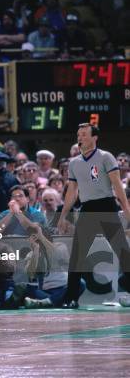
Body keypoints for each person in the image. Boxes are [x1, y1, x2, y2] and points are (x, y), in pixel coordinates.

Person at [57, 123, 130, 308]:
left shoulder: (106, 157)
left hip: (106, 205)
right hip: (87, 208)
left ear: (94, 137)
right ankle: (70, 298)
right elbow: (72, 192)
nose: (80, 137)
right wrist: (63, 215)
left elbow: (117, 186)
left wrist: (127, 210)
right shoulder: (74, 163)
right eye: (78, 134)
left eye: (84, 134)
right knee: (77, 255)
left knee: (122, 251)